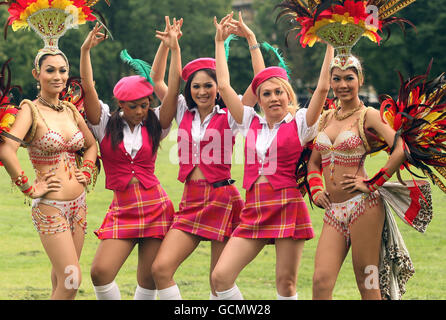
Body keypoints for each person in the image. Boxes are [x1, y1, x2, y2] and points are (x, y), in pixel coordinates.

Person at [211, 15, 334, 300]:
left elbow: (323, 89)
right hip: (254, 208)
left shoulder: (301, 123)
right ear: (259, 99)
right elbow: (225, 85)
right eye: (266, 94)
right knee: (220, 277)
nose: (274, 97)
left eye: (279, 92)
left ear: (288, 94)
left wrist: (330, 45)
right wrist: (220, 41)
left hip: (288, 206)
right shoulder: (248, 120)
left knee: (286, 286)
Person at [150, 12, 263, 300]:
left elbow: (259, 83)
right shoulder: (180, 110)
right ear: (189, 89)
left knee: (219, 281)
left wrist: (251, 41)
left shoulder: (232, 114)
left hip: (222, 198)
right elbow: (157, 79)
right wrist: (169, 45)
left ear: (218, 88)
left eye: (208, 85)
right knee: (161, 269)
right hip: (190, 199)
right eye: (196, 86)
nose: (201, 91)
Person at [79, 20, 181, 300]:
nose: (140, 111)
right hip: (122, 208)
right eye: (134, 106)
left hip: (155, 206)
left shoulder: (155, 123)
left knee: (147, 280)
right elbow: (88, 87)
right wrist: (85, 52)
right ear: (120, 104)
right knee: (100, 272)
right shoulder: (104, 124)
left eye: (145, 104)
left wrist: (173, 48)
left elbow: (172, 90)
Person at [0, 48, 98, 300]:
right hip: (50, 207)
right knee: (71, 279)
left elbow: (91, 145)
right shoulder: (29, 110)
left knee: (62, 278)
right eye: (50, 70)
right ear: (37, 74)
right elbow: (7, 150)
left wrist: (86, 170)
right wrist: (30, 189)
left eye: (62, 70)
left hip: (79, 206)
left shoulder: (69, 110)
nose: (58, 76)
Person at [308, 54, 408, 300]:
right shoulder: (325, 118)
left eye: (349, 78)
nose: (343, 84)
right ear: (330, 82)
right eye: (337, 79)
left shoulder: (369, 115)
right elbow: (313, 162)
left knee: (368, 280)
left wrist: (373, 182)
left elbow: (400, 148)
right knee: (321, 282)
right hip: (334, 211)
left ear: (360, 80)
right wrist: (316, 189)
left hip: (365, 208)